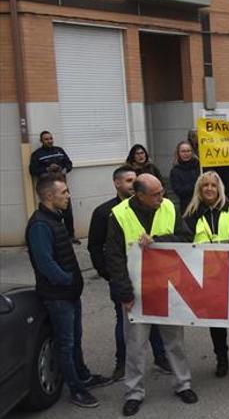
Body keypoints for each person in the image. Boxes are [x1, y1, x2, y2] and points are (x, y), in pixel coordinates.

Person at [103, 174, 197, 416]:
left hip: (168, 288)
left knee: (174, 341)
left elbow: (186, 238)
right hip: (137, 291)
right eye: (155, 194)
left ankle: (182, 384)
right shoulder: (120, 214)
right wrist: (124, 293)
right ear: (139, 195)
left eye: (161, 191)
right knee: (135, 345)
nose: (161, 197)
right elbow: (113, 257)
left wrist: (157, 241)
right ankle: (134, 392)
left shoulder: (168, 207)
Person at [27, 175, 112, 408]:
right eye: (64, 192)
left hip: (69, 294)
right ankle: (76, 389)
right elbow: (45, 263)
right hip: (58, 296)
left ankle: (82, 375)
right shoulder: (40, 225)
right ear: (49, 196)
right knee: (65, 344)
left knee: (75, 340)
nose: (68, 196)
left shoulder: (55, 219)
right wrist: (66, 280)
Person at [87, 166, 170, 382]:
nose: (132, 184)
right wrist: (111, 277)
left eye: (135, 180)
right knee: (128, 327)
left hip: (155, 281)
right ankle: (122, 363)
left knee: (156, 322)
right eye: (129, 181)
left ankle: (161, 358)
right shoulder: (105, 212)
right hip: (124, 282)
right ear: (117, 183)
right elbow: (98, 248)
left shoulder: (159, 206)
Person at [182, 171, 229, 377]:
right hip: (206, 277)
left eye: (213, 185)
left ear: (219, 188)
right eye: (205, 185)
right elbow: (183, 243)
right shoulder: (191, 215)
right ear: (199, 189)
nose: (209, 189)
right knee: (215, 324)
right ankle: (221, 359)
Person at [29, 130, 77, 242]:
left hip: (61, 186)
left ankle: (71, 236)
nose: (49, 141)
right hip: (48, 189)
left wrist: (62, 170)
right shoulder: (37, 154)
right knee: (51, 212)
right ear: (41, 141)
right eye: (46, 139)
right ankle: (55, 237)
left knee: (67, 211)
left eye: (51, 138)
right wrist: (47, 169)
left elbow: (69, 164)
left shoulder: (59, 151)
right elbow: (33, 170)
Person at [169, 141, 200, 210]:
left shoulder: (199, 167)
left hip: (202, 202)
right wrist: (196, 186)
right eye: (183, 151)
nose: (186, 154)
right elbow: (178, 190)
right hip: (187, 205)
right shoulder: (175, 171)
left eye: (188, 151)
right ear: (178, 153)